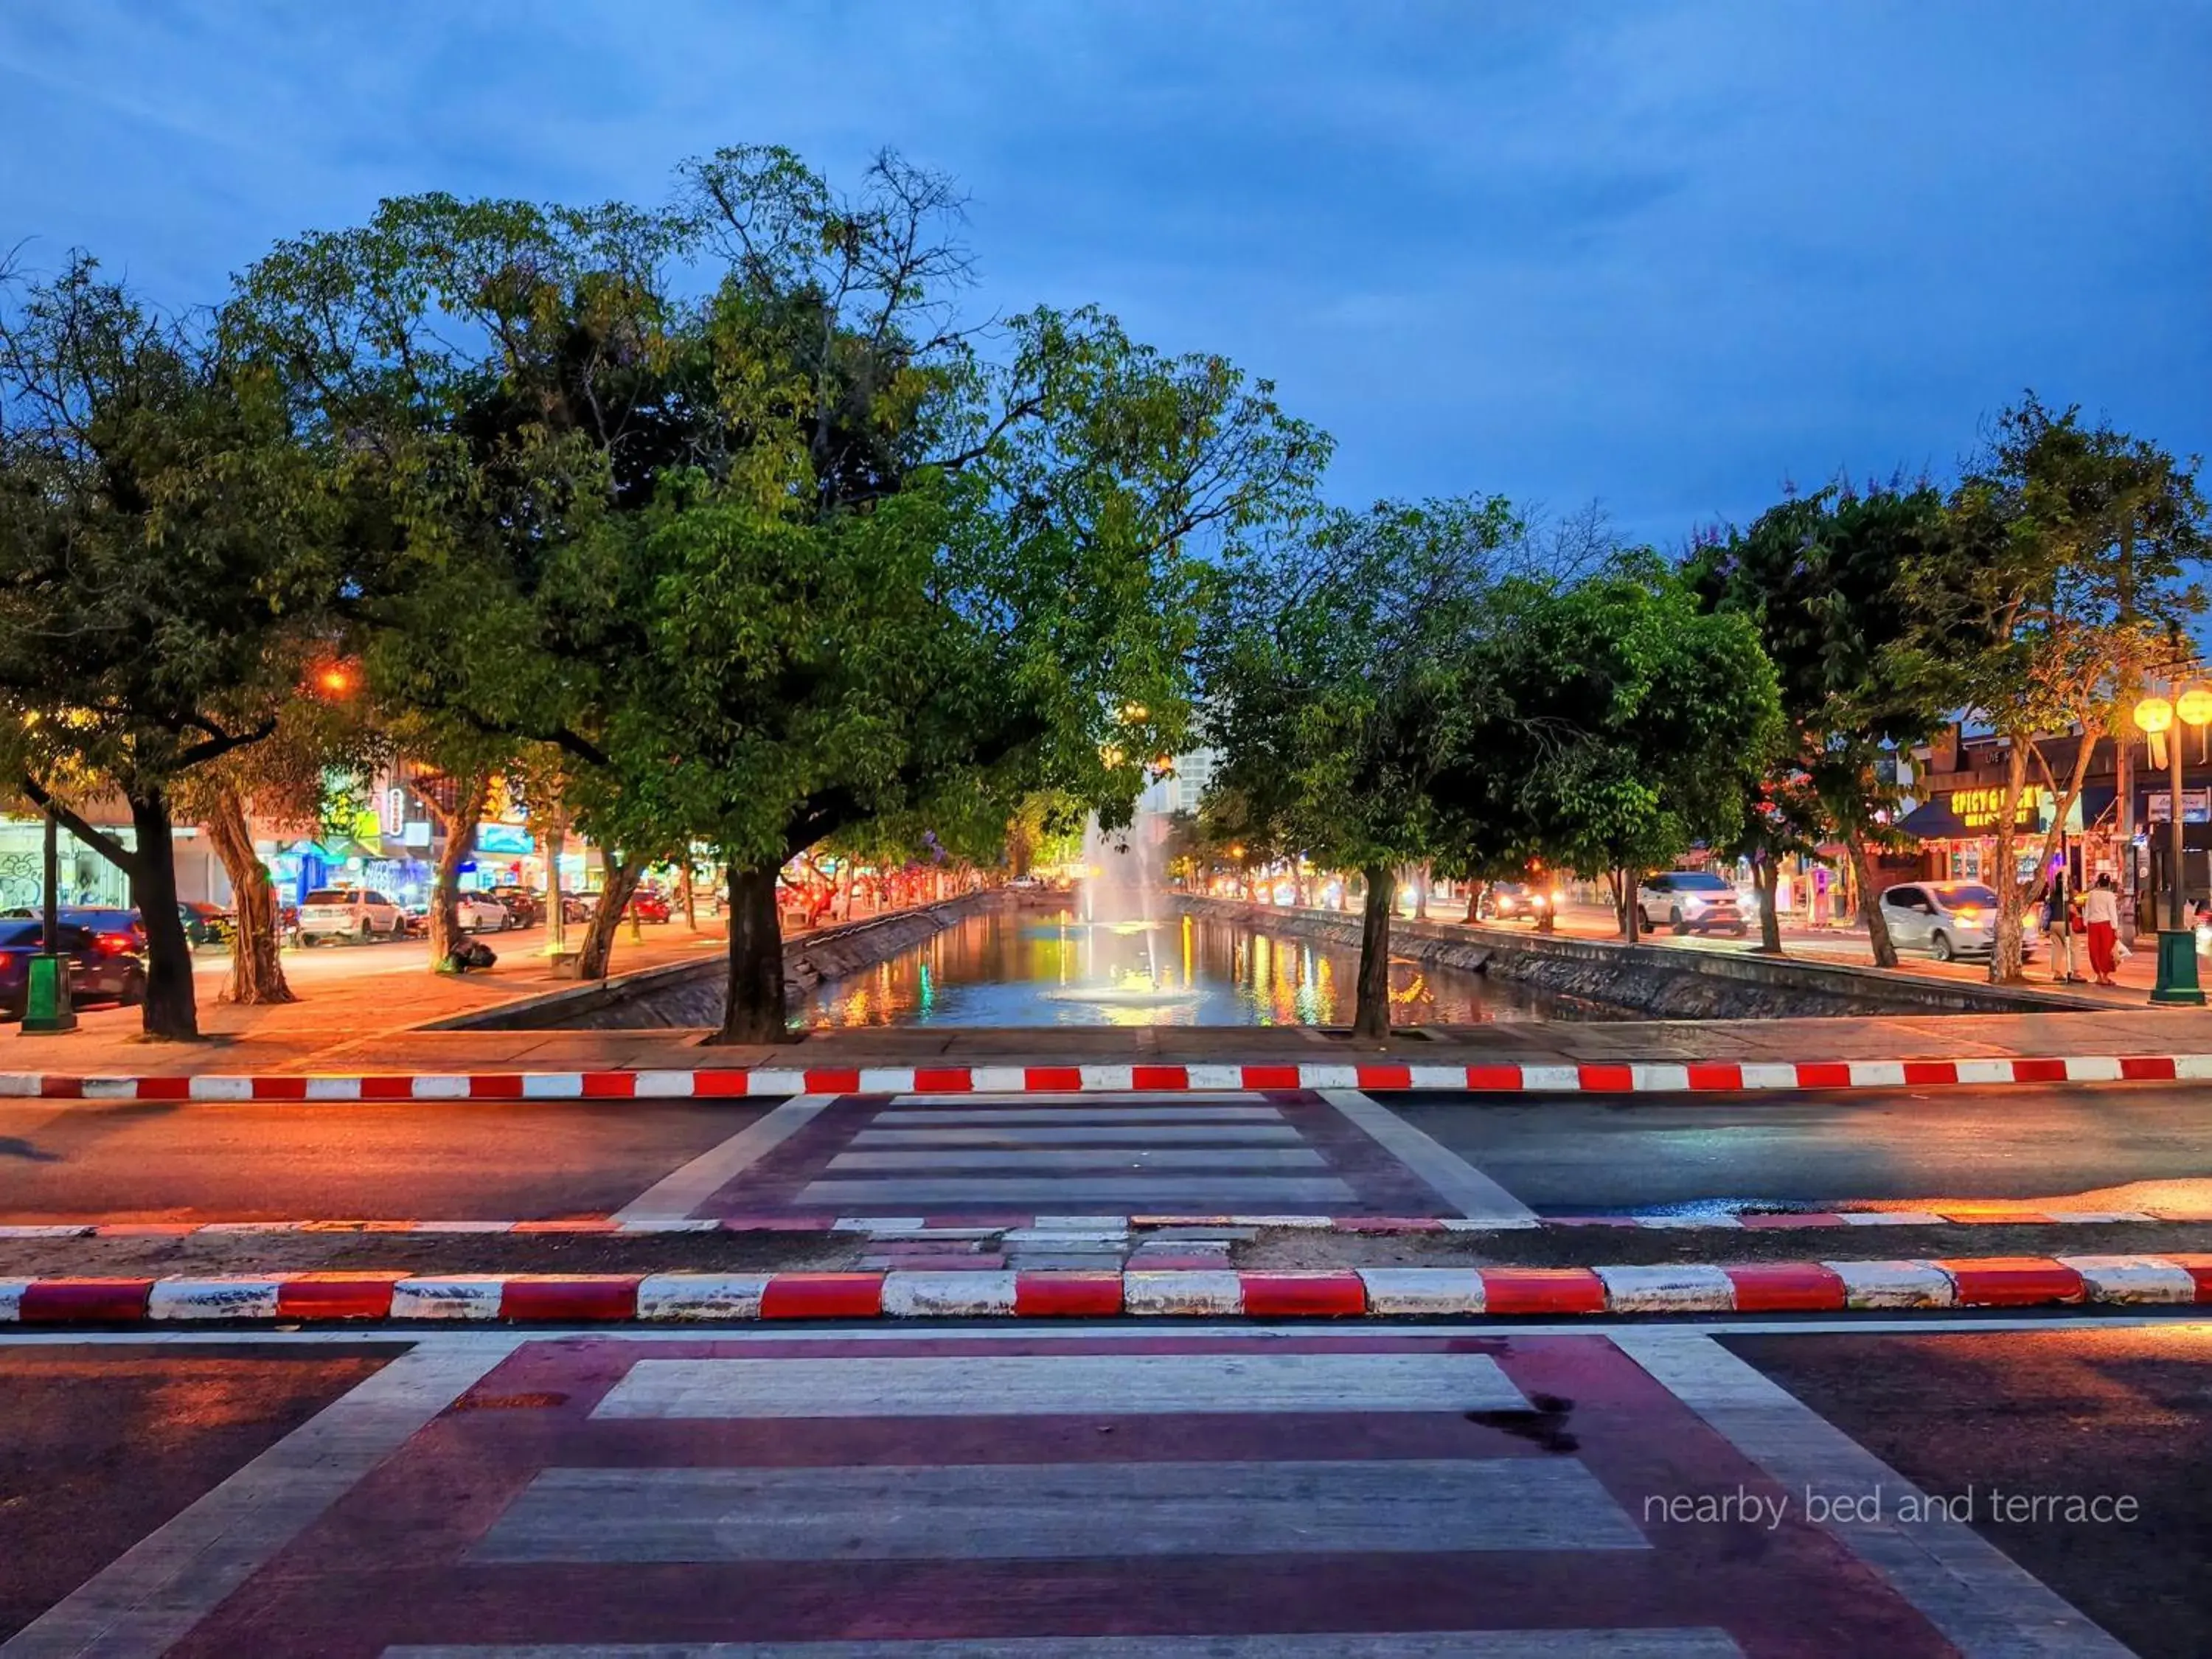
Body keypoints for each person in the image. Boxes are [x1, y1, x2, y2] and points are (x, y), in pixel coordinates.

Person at [2043, 869, 2084, 984]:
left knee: (2057, 947)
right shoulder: (2067, 894)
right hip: (2064, 922)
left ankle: (2057, 972)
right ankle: (2075, 972)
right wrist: (2078, 914)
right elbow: (2071, 909)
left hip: (2052, 924)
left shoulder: (2052, 894)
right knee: (2074, 946)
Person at [2081, 874, 2121, 986]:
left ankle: (2098, 975)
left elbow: (2087, 910)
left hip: (2092, 925)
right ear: (2108, 884)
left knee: (2094, 950)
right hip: (2106, 925)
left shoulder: (2091, 894)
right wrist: (2115, 928)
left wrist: (2085, 923)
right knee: (2106, 951)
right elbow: (2113, 913)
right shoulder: (2109, 896)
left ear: (2098, 883)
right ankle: (2105, 976)